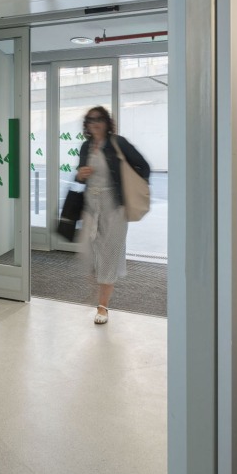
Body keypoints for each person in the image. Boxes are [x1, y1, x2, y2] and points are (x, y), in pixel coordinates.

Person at [76, 106, 150, 325]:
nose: (94, 123)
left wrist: (127, 185)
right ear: (86, 125)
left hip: (113, 208)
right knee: (88, 253)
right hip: (91, 207)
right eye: (90, 120)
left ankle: (103, 306)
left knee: (109, 256)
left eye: (99, 119)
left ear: (107, 122)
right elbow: (80, 176)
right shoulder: (85, 147)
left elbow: (143, 167)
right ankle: (99, 287)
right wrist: (81, 174)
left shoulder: (119, 143)